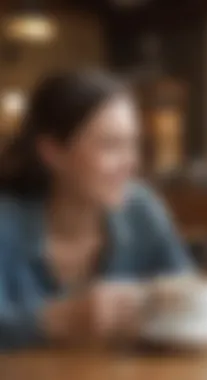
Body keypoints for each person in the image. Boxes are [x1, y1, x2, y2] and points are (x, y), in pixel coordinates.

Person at [0, 70, 193, 349]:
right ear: (52, 151)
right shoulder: (7, 222)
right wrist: (59, 320)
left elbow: (188, 298)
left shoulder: (142, 210)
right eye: (111, 145)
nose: (131, 163)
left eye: (132, 143)